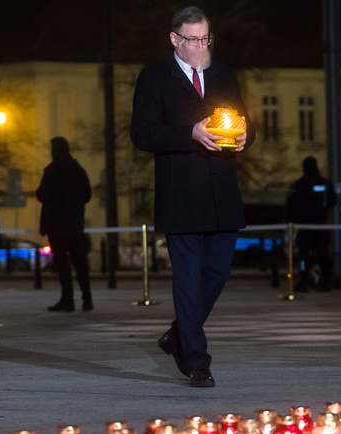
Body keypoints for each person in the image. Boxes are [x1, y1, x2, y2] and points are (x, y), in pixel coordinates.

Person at [130, 6, 255, 387]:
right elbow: (142, 133)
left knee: (217, 274)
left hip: (222, 194)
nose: (202, 46)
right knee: (187, 281)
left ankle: (177, 335)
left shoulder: (224, 75)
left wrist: (246, 136)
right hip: (181, 195)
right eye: (193, 40)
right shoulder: (155, 77)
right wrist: (190, 133)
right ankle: (197, 362)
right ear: (175, 40)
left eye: (206, 38)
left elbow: (244, 121)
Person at [36, 137, 93, 312]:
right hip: (75, 224)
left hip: (56, 225)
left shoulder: (52, 171)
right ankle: (87, 298)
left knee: (62, 264)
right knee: (80, 262)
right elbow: (87, 195)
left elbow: (42, 195)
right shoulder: (78, 171)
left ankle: (68, 299)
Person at [286, 157, 336, 292]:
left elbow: (290, 203)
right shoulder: (324, 183)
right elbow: (332, 201)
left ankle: (304, 281)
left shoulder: (299, 184)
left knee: (304, 257)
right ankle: (326, 281)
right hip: (320, 225)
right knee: (323, 255)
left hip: (305, 226)